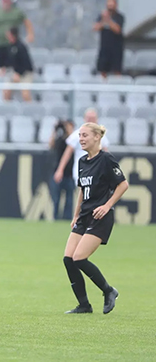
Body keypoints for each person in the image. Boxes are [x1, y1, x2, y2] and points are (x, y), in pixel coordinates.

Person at [62, 122, 128, 314]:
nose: (81, 139)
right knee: (68, 259)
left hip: (100, 217)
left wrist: (107, 206)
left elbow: (123, 185)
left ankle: (108, 291)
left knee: (80, 258)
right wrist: (76, 215)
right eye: (80, 136)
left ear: (97, 137)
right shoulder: (82, 161)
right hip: (84, 216)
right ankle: (84, 305)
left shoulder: (106, 159)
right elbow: (82, 191)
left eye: (84, 135)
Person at [54, 109, 110, 186]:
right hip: (81, 171)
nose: (91, 121)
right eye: (89, 118)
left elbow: (106, 154)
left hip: (97, 171)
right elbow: (68, 152)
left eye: (93, 118)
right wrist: (60, 169)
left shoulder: (101, 136)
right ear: (84, 119)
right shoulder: (77, 134)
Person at [49, 119, 76, 220]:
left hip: (70, 174)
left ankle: (67, 219)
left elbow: (72, 142)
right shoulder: (59, 139)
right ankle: (55, 218)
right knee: (56, 199)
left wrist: (69, 130)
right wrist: (54, 130)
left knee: (69, 200)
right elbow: (50, 144)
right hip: (58, 173)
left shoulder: (75, 140)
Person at [94, 0, 124, 78]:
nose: (110, 5)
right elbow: (95, 28)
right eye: (108, 3)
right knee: (102, 71)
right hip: (104, 48)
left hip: (116, 49)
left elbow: (117, 29)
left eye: (112, 3)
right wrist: (103, 20)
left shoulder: (119, 17)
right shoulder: (102, 16)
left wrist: (109, 20)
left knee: (116, 71)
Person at [4, 27, 34, 102]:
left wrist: (19, 73)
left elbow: (26, 63)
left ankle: (29, 109)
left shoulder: (21, 47)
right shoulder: (9, 47)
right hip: (14, 73)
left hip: (25, 74)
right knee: (6, 91)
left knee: (25, 94)